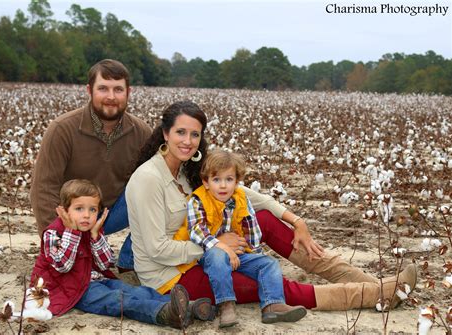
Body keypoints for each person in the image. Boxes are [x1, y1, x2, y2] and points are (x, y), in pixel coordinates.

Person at [126, 100, 417, 313]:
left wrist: (296, 220)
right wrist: (216, 246)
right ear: (165, 133)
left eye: (195, 134)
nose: (188, 141)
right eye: (181, 133)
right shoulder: (148, 180)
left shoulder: (190, 170)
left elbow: (247, 195)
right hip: (173, 275)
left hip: (205, 252)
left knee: (263, 218)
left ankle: (379, 284)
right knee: (273, 285)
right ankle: (374, 294)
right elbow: (156, 250)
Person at [30, 179, 214, 330]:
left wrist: (95, 237)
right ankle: (165, 313)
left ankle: (188, 306)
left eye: (92, 210)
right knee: (119, 300)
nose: (86, 215)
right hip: (69, 288)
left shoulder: (92, 230)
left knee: (134, 290)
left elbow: (104, 264)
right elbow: (63, 265)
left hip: (95, 279)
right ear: (64, 211)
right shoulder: (54, 234)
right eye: (79, 209)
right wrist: (72, 232)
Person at [30, 59, 151, 271]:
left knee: (161, 187)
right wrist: (56, 242)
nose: (111, 97)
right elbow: (43, 189)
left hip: (111, 212)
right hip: (72, 216)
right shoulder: (62, 130)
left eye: (118, 89)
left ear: (128, 92)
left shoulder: (141, 132)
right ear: (89, 90)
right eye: (103, 88)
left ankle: (129, 258)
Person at [175, 149, 307, 327]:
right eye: (216, 180)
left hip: (236, 253)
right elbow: (197, 232)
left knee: (268, 263)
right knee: (217, 256)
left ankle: (272, 304)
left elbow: (252, 228)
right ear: (206, 182)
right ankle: (226, 305)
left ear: (237, 182)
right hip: (206, 254)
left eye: (229, 180)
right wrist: (225, 248)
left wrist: (253, 253)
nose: (223, 186)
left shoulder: (241, 199)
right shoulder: (197, 201)